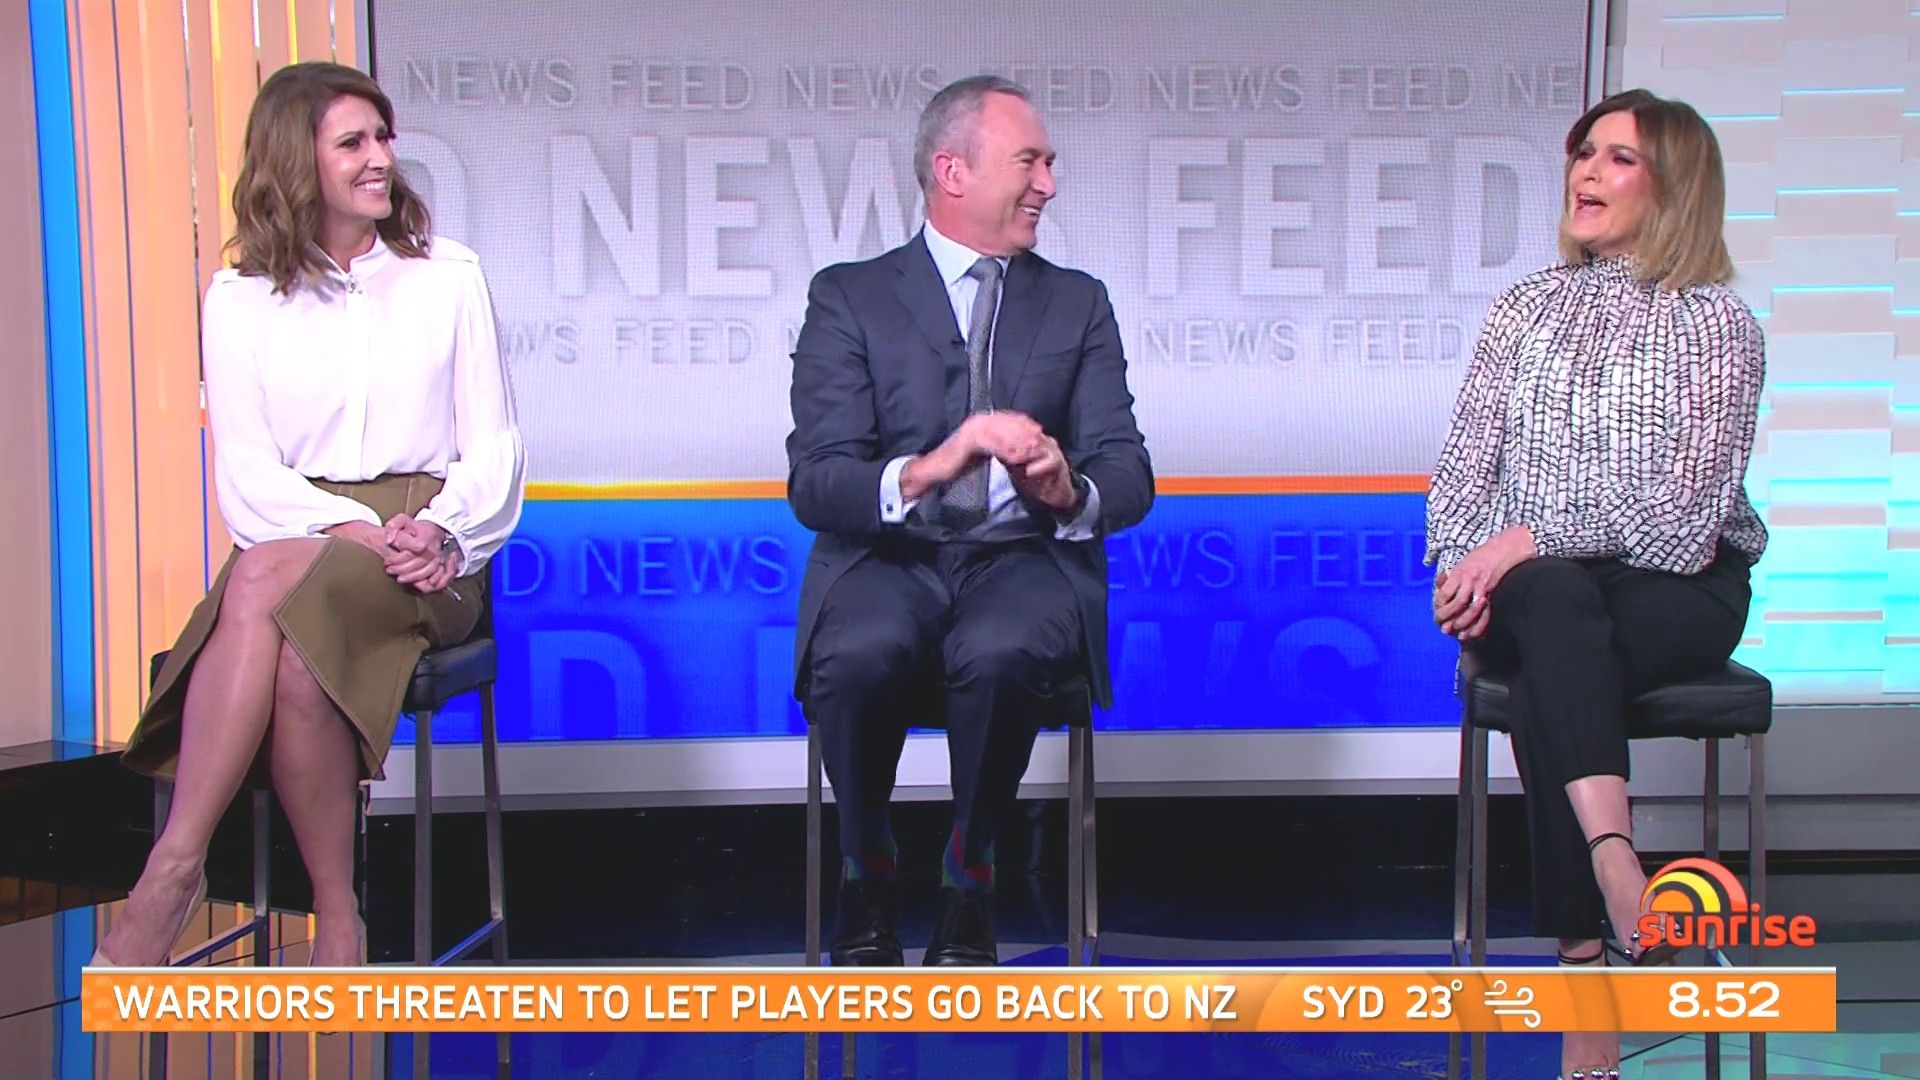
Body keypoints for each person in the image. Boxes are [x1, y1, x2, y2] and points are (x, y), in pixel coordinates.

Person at [96, 62, 525, 968]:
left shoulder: (448, 276)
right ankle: (335, 910)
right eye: (353, 143)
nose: (382, 158)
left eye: (383, 137)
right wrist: (344, 528)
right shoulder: (239, 298)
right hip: (299, 532)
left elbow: (494, 445)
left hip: (428, 544)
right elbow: (248, 471)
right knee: (288, 638)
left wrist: (446, 532)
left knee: (264, 588)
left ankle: (173, 868)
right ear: (298, 160)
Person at [1425, 88, 1766, 1078]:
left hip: (1679, 587)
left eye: (1620, 158)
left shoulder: (1718, 325)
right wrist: (1460, 566)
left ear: (1676, 186)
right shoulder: (1525, 306)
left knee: (1554, 635)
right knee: (1554, 606)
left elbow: (1681, 524)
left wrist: (1527, 537)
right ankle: (1618, 863)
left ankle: (1583, 975)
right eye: (1584, 151)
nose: (1587, 171)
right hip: (1540, 592)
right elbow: (1462, 468)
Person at [787, 75, 1152, 966]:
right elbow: (818, 484)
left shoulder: (1077, 302)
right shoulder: (849, 297)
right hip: (890, 555)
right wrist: (936, 465)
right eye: (1030, 162)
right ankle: (867, 867)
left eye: (1049, 164)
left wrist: (1066, 490)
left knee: (1000, 651)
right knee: (859, 651)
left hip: (1020, 556)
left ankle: (971, 875)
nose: (1048, 185)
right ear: (953, 171)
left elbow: (1128, 473)